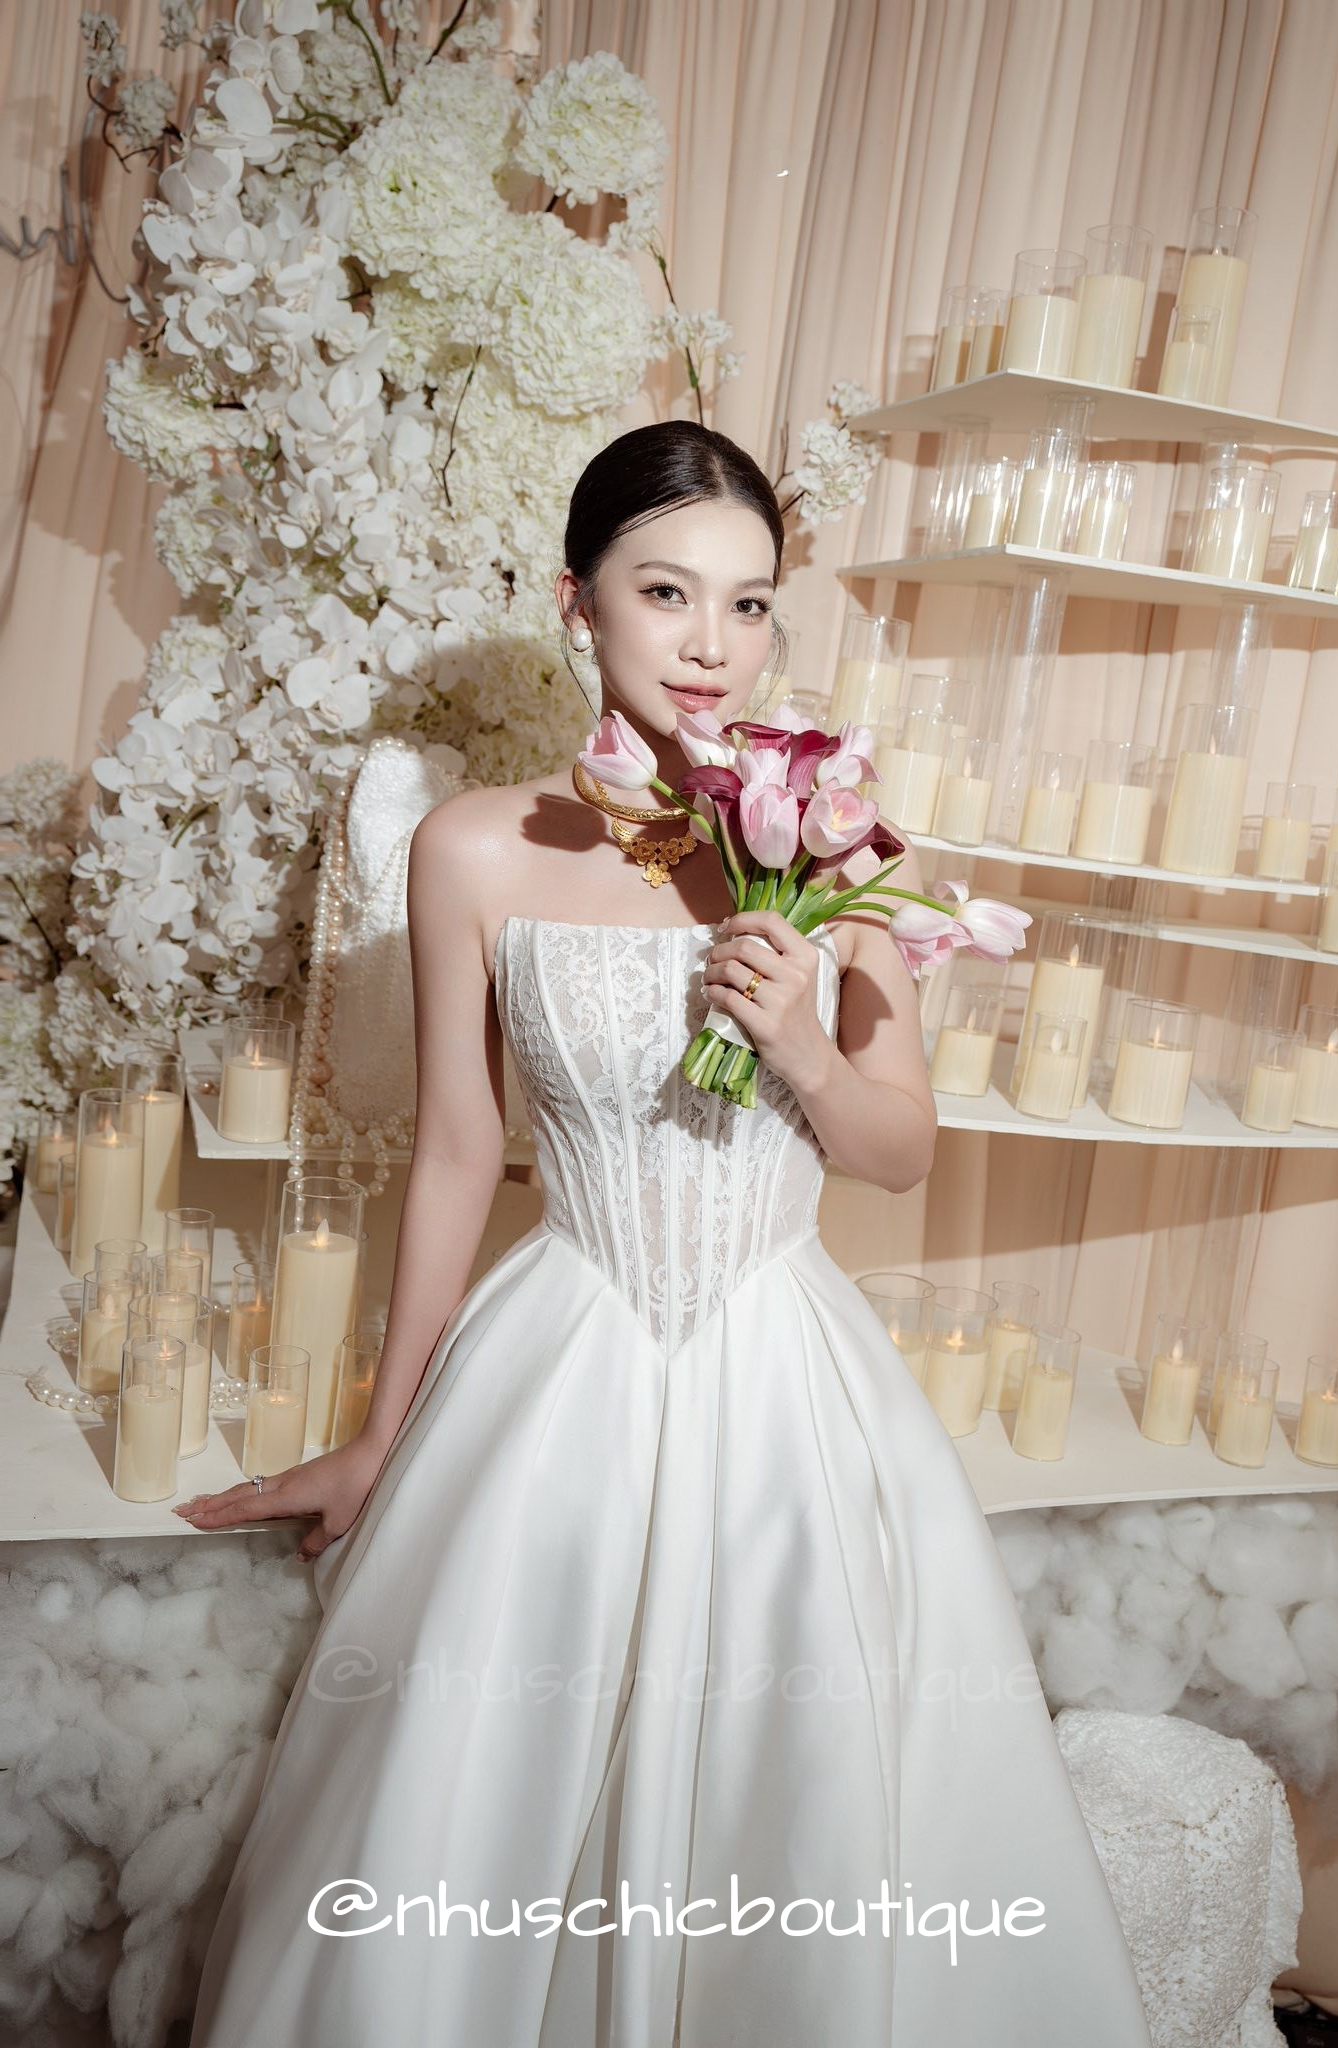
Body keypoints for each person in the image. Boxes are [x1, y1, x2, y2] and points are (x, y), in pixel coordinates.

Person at [180, 421, 1153, 2047]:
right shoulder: (472, 848)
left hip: (785, 1376)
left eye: (751, 603)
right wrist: (381, 1438)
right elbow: (456, 1155)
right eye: (666, 591)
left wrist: (802, 1047)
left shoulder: (832, 843)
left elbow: (899, 1151)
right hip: (561, 1367)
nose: (712, 645)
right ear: (580, 604)